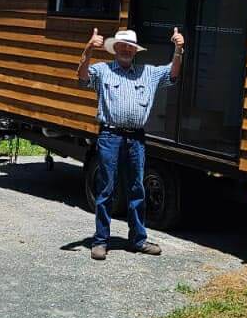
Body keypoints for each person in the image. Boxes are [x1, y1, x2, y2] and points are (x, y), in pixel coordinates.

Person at [76, 25, 184, 261]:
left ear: (135, 51)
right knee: (107, 188)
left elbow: (173, 74)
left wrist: (178, 49)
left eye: (130, 47)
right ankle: (101, 241)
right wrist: (88, 50)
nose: (126, 50)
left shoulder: (148, 72)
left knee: (137, 188)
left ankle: (138, 239)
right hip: (110, 135)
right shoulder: (103, 70)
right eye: (122, 46)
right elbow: (82, 78)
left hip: (136, 138)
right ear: (115, 49)